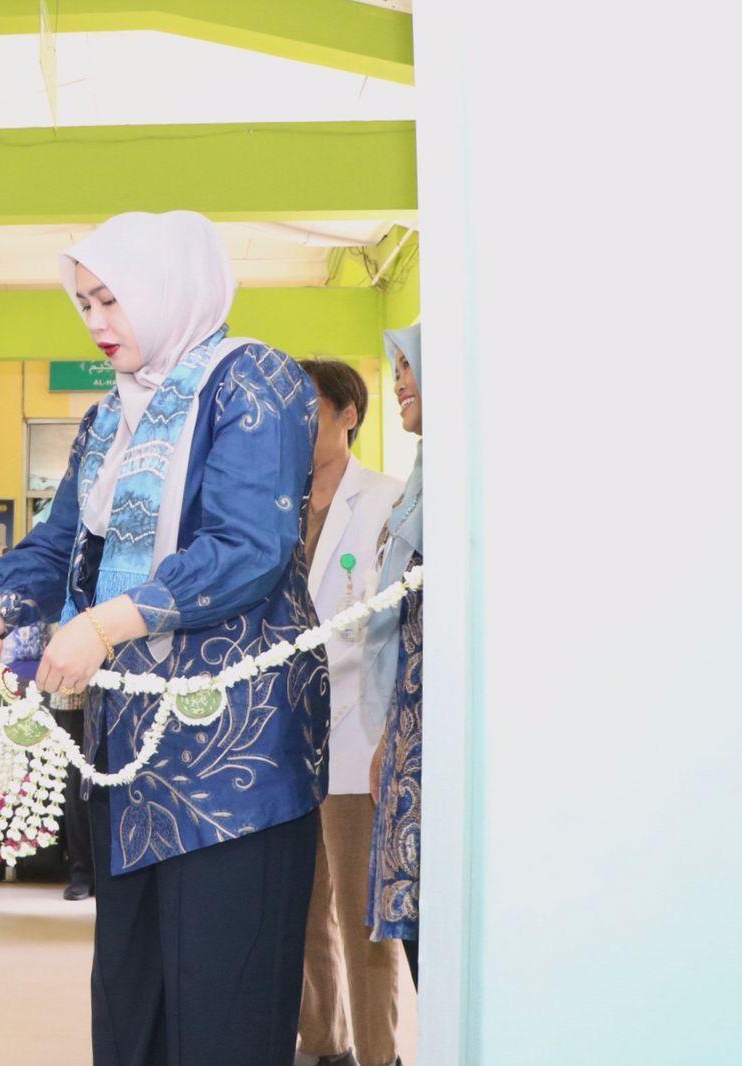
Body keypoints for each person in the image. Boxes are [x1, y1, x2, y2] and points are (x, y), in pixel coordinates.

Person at [0, 211, 330, 1066]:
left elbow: (249, 546)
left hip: (237, 757)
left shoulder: (253, 382)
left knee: (224, 1008)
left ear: (168, 290)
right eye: (84, 303)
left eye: (111, 299)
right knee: (135, 1005)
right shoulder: (108, 419)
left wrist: (104, 624)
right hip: (132, 757)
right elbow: (60, 542)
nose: (96, 322)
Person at [292, 360, 406, 1066]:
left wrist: (392, 734)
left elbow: (398, 629)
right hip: (284, 743)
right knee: (301, 919)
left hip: (358, 729)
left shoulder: (387, 501)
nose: (296, 428)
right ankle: (321, 1046)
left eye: (311, 412)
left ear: (348, 415)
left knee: (365, 920)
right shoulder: (276, 505)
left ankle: (378, 1055)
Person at [366, 324, 423, 988]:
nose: (400, 380)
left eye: (411, 366)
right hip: (407, 718)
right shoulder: (422, 474)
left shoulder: (460, 479)